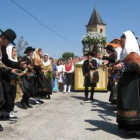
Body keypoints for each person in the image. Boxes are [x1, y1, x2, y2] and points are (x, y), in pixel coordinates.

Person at [114, 31, 140, 136]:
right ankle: (128, 127)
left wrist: (123, 66)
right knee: (125, 104)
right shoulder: (126, 55)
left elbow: (136, 67)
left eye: (123, 42)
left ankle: (136, 129)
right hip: (127, 83)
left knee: (132, 105)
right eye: (120, 42)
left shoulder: (134, 54)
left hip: (134, 84)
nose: (121, 44)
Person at [0, 45, 18, 119]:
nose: (15, 53)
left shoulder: (15, 61)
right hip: (6, 81)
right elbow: (2, 70)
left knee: (12, 95)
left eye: (16, 51)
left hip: (13, 81)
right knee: (7, 96)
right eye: (14, 51)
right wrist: (10, 70)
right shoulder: (5, 62)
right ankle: (4, 113)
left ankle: (9, 112)